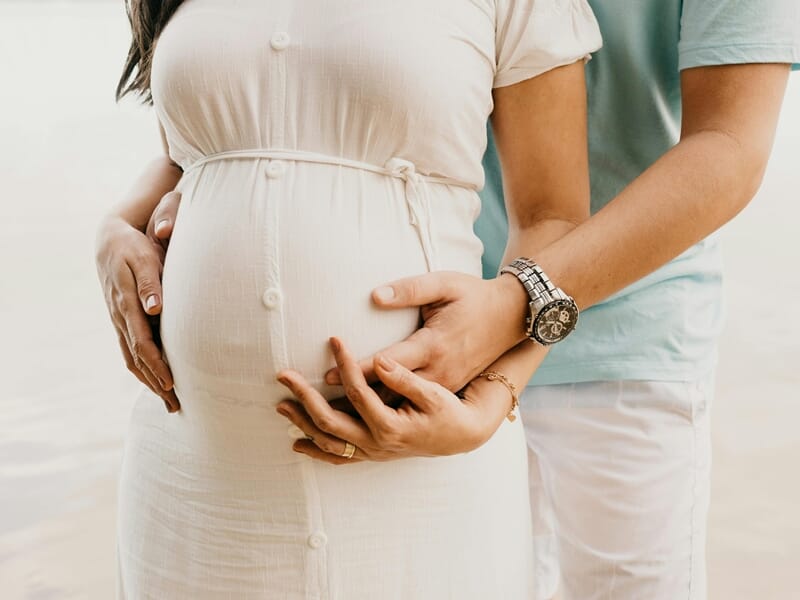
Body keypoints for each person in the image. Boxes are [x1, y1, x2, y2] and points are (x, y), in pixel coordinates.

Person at [107, 3, 800, 600]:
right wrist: (120, 225)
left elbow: (730, 145)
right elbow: (282, 92)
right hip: (433, 327)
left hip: (623, 334)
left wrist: (507, 335)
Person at [97, 0, 602, 597]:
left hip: (419, 478)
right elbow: (196, 155)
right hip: (197, 474)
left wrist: (496, 395)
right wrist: (115, 229)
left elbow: (553, 221)